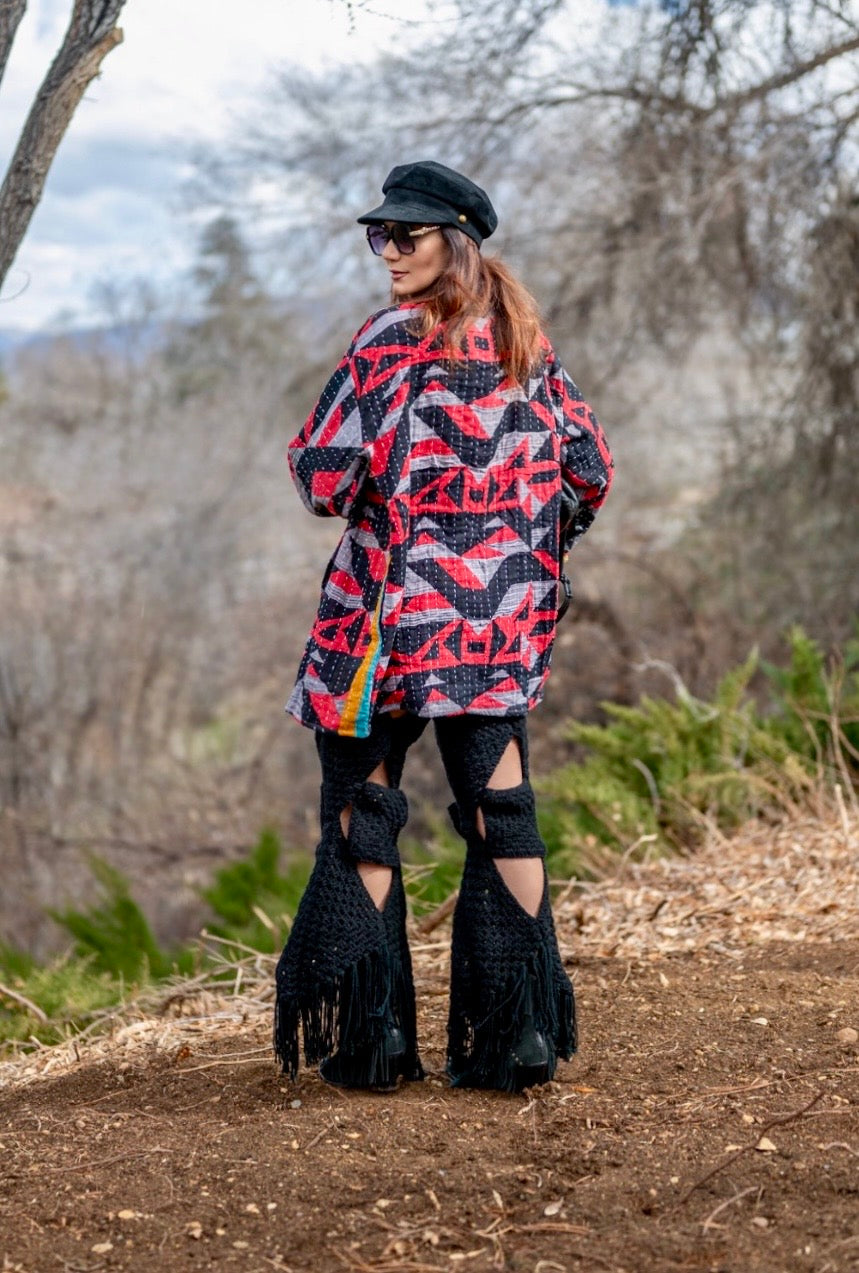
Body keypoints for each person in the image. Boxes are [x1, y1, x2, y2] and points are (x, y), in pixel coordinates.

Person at [274, 160, 613, 1093]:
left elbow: (322, 476)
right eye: (378, 235)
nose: (387, 251)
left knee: (364, 811)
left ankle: (373, 1040)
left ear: (452, 242)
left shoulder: (389, 343)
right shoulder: (527, 344)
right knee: (503, 812)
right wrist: (520, 539)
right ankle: (517, 1035)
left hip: (382, 630)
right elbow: (589, 469)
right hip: (493, 631)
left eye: (405, 235)